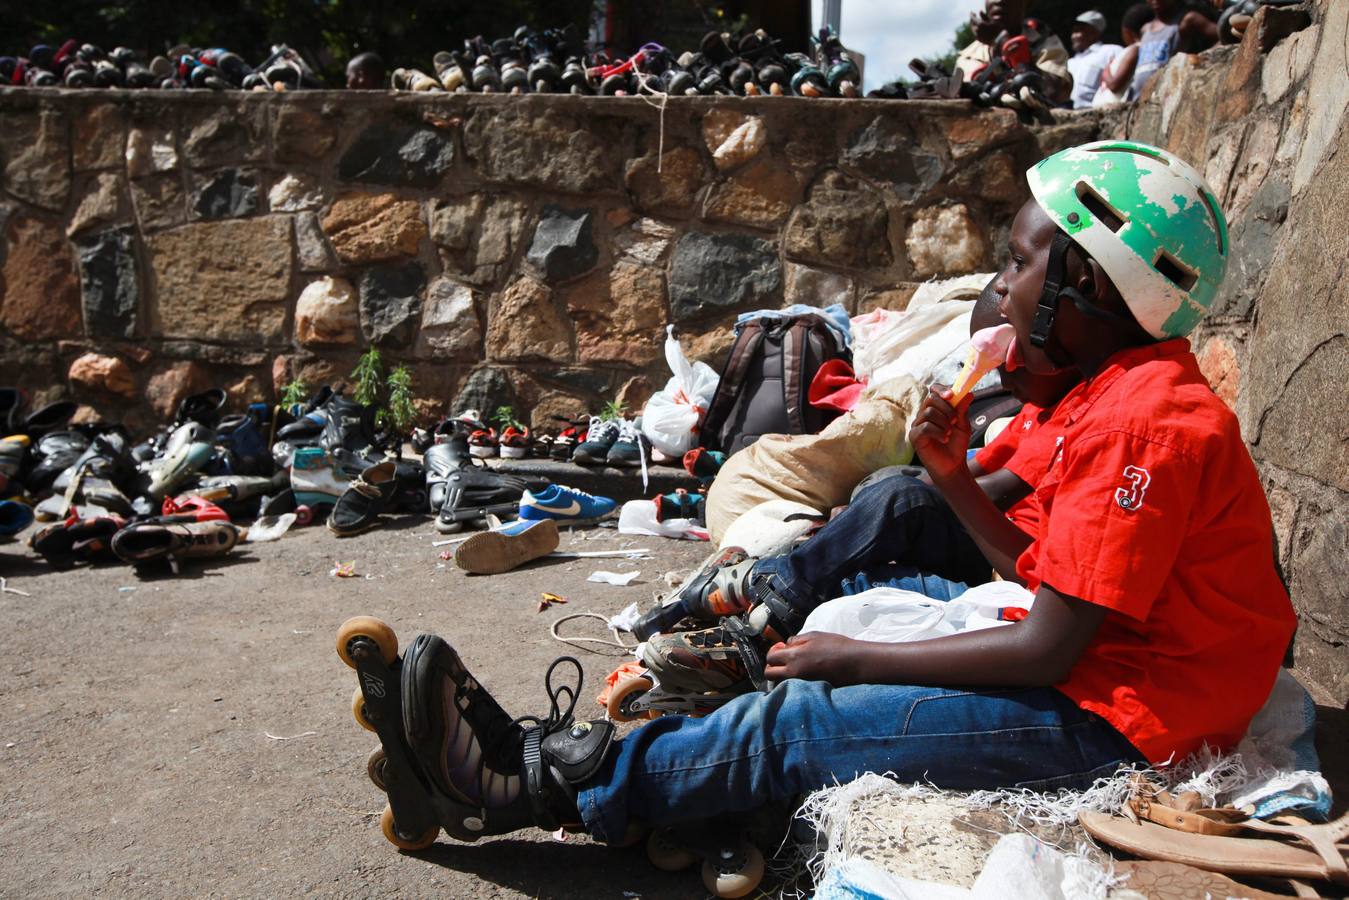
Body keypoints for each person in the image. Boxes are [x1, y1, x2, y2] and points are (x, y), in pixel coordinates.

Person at [353, 141, 1295, 854]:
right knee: (867, 616)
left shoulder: (1143, 423)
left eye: (1016, 264)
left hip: (1129, 723)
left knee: (806, 716)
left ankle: (524, 788)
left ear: (1083, 281)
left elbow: (1049, 644)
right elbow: (1041, 577)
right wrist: (951, 481)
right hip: (1115, 673)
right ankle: (710, 774)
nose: (1001, 289)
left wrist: (856, 661)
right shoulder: (1120, 390)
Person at [955, 0, 1073, 104]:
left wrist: (1000, 41)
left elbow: (1049, 93)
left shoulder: (1046, 42)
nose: (998, 1)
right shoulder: (969, 55)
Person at [1132, 0, 1218, 96]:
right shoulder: (1145, 30)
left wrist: (1204, 57)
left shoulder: (1186, 20)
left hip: (1167, 95)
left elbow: (1223, 35)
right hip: (1139, 97)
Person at [1094, 3, 1153, 107]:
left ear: (1127, 32)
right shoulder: (1137, 50)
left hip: (1112, 108)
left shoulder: (1135, 49)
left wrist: (1106, 71)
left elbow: (1114, 85)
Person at [1067, 11, 1124, 108]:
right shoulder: (1070, 62)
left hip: (1097, 114)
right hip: (1065, 114)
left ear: (1094, 32)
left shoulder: (1110, 51)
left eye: (1079, 31)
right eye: (1073, 31)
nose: (1074, 36)